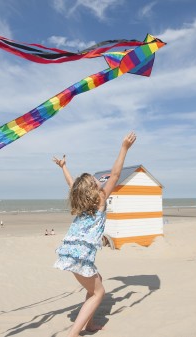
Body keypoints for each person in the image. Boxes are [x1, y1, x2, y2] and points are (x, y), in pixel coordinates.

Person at [52, 131, 136, 336]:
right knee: (99, 292)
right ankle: (73, 333)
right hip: (80, 256)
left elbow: (71, 184)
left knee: (95, 283)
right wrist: (124, 148)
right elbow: (115, 175)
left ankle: (89, 325)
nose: (98, 180)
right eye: (94, 180)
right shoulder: (99, 199)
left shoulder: (82, 202)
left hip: (71, 253)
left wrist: (64, 168)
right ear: (92, 189)